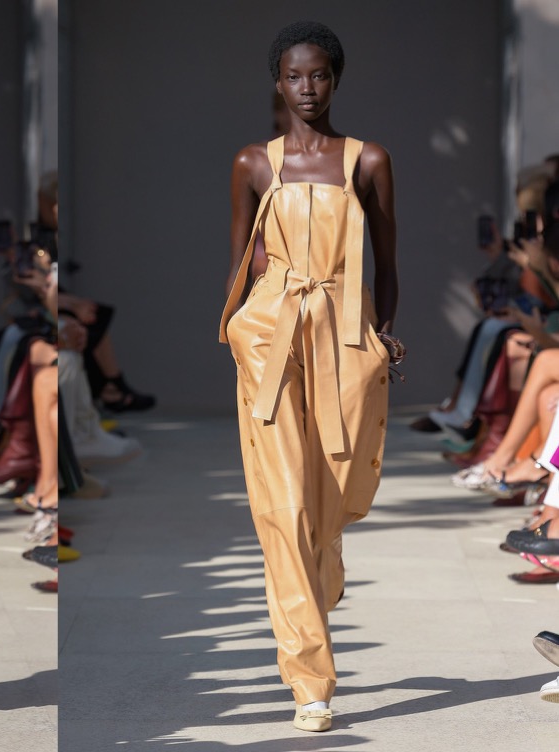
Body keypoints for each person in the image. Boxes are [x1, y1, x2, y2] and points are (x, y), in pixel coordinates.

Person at [219, 21, 398, 733]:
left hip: (345, 332)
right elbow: (241, 262)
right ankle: (310, 683)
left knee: (335, 489)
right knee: (283, 505)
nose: (307, 88)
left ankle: (325, 564)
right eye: (294, 76)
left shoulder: (369, 160)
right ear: (278, 82)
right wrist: (238, 333)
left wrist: (383, 335)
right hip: (270, 336)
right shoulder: (252, 163)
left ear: (336, 78)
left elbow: (387, 259)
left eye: (319, 74)